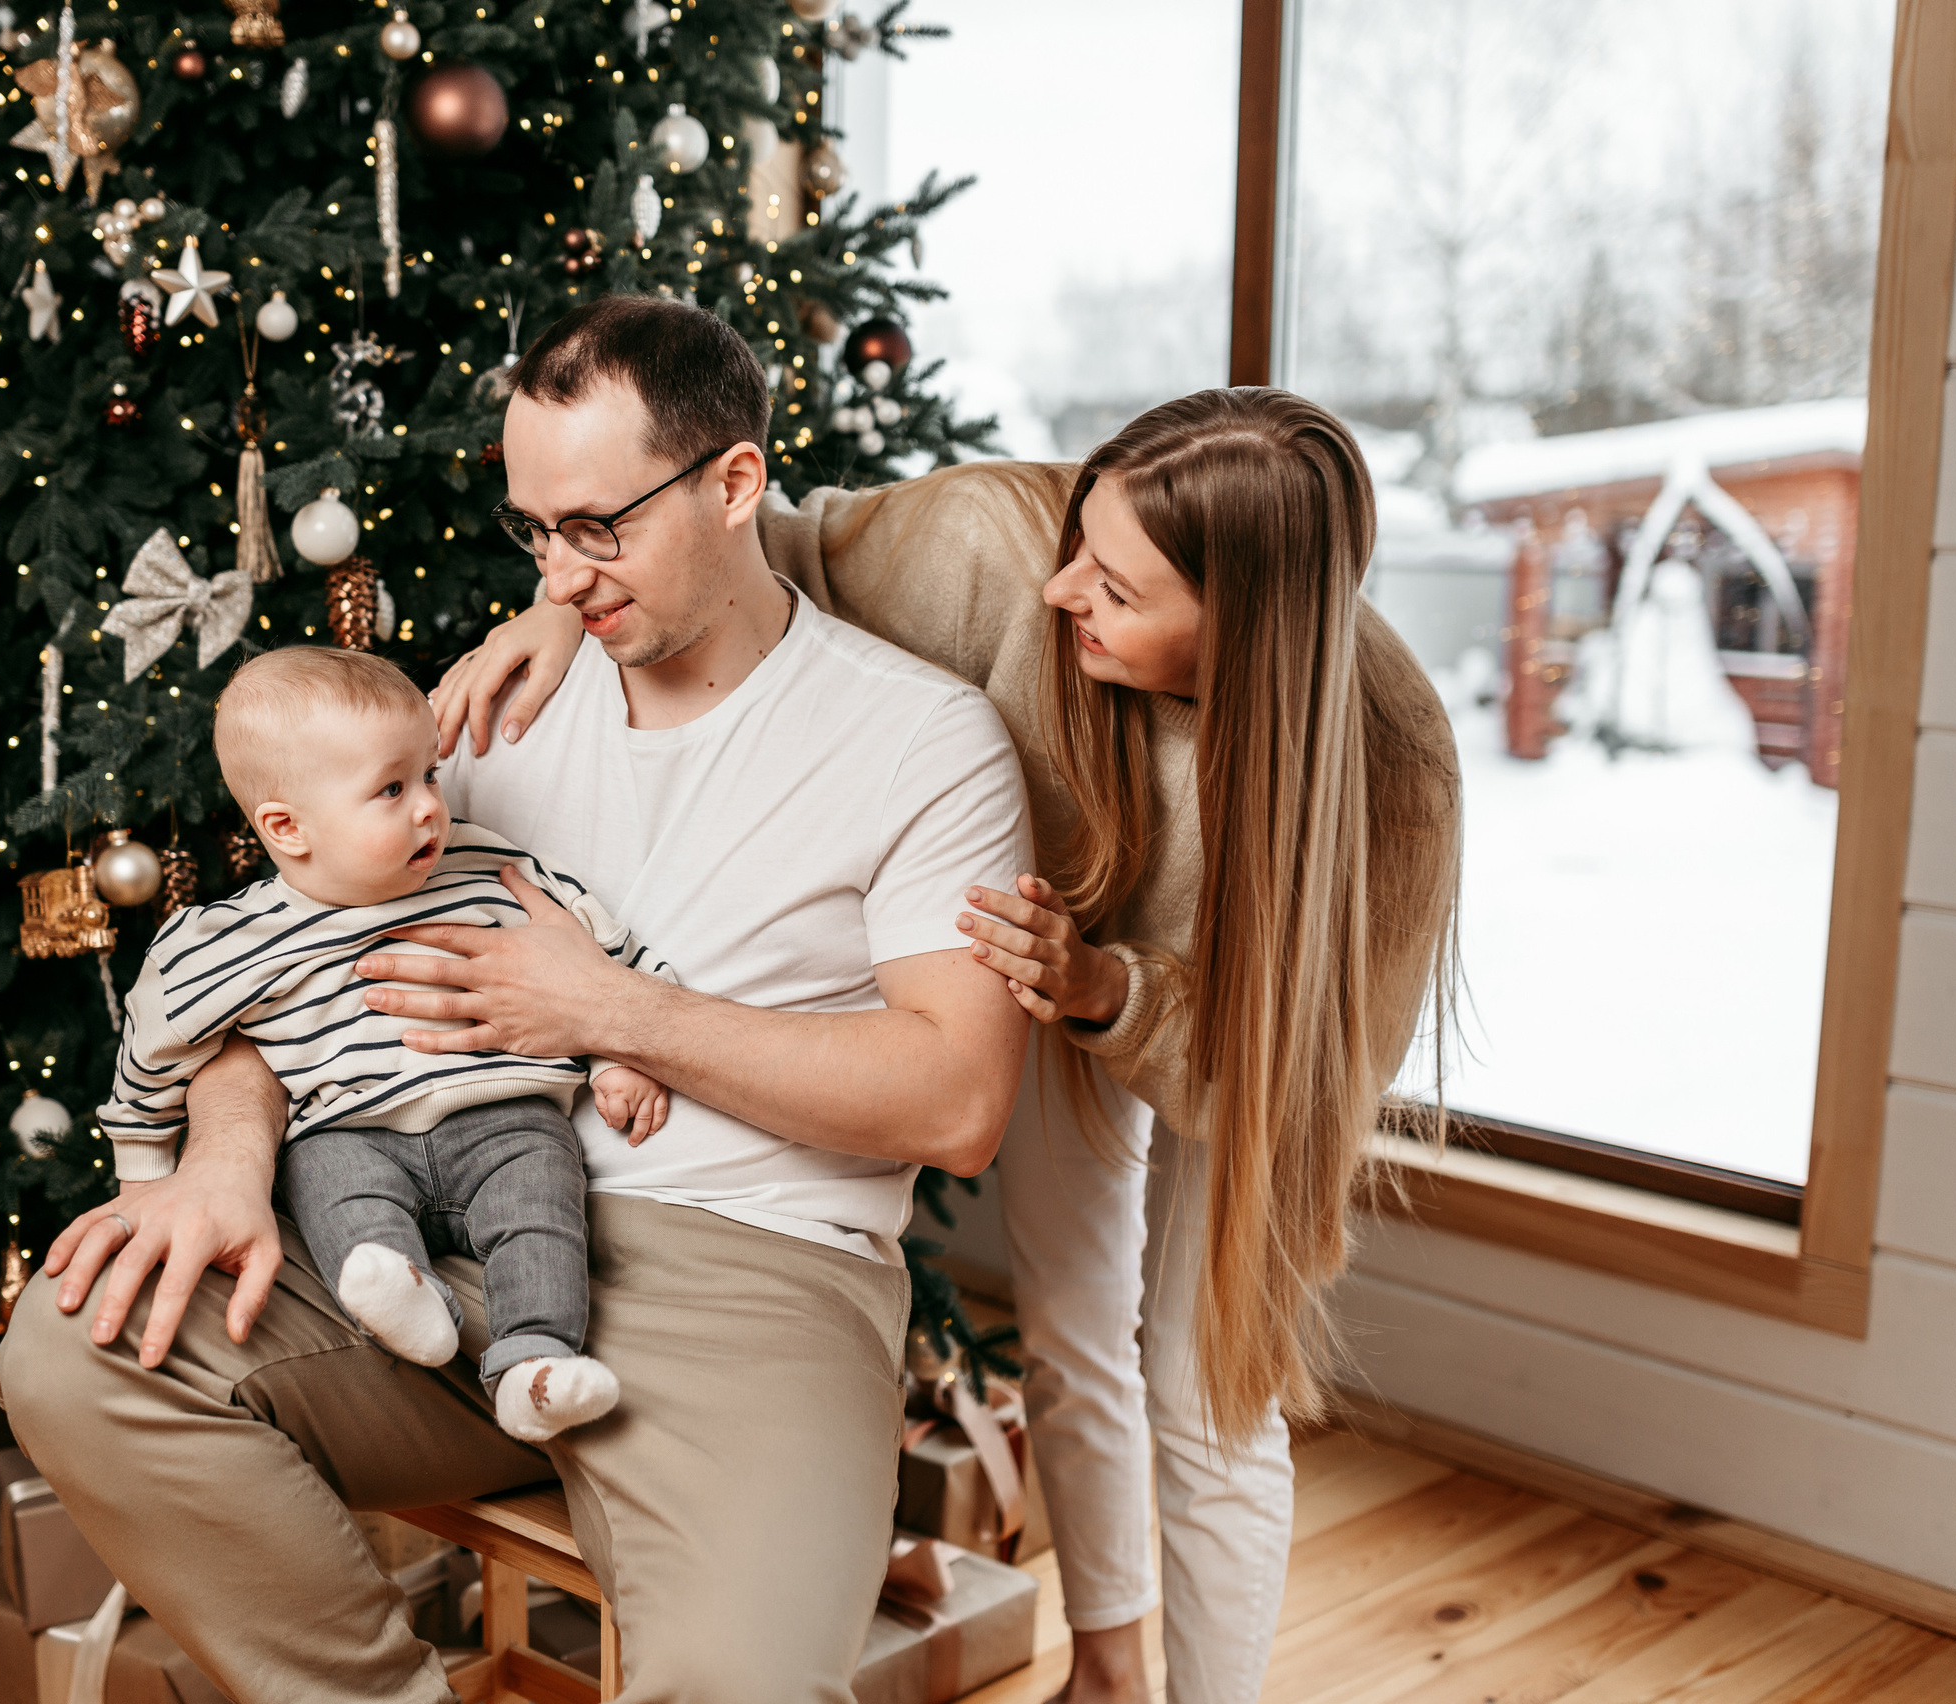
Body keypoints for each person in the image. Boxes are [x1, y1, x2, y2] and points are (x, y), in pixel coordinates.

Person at [0, 294, 1035, 1704]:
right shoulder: (486, 715)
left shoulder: (918, 740)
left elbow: (958, 1103)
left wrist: (609, 1011)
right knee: (75, 1350)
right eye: (533, 532)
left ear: (736, 484)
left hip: (754, 1278)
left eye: (596, 527)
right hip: (431, 1244)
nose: (561, 576)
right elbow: (290, 964)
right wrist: (229, 1162)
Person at [436, 388, 1461, 1704]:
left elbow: (1285, 1086)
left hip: (1230, 1037)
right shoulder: (990, 546)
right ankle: (1105, 1672)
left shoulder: (1395, 780)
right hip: (1046, 960)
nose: (1062, 591)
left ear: (1248, 629)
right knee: (1071, 1322)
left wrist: (1117, 991)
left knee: (1210, 1392)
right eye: (1080, 542)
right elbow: (741, 540)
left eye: (1118, 588)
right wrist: (555, 605)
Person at [95, 645, 679, 1442]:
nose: (430, 807)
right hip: (348, 1133)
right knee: (333, 1194)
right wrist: (143, 1178)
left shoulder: (491, 867)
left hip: (503, 1116)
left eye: (430, 775)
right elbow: (150, 1059)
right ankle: (409, 1303)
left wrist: (618, 1054)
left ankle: (535, 1363)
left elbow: (606, 955)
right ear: (287, 827)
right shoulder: (227, 941)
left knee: (542, 1205)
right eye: (392, 789)